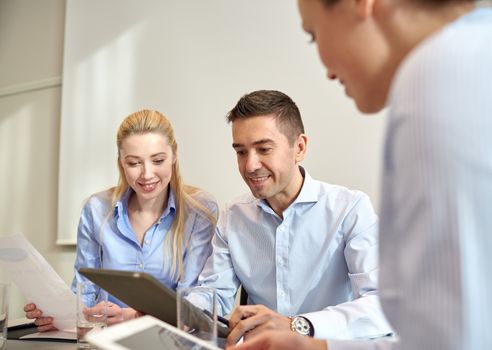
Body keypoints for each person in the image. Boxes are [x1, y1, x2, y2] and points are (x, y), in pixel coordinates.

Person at [232, 0, 492, 349]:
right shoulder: (472, 56)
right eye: (240, 151)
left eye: (313, 35)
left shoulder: (438, 79)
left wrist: (305, 334)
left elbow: (450, 339)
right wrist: (315, 347)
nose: (325, 67)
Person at [187, 90, 391, 345]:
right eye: (241, 152)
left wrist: (297, 326)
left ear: (300, 147)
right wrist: (171, 313)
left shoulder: (350, 210)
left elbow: (382, 306)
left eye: (264, 149)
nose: (250, 165)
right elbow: (213, 296)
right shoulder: (234, 215)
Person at [24, 109, 218, 331]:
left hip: (169, 342)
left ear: (174, 155)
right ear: (121, 163)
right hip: (106, 339)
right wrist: (61, 316)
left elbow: (193, 305)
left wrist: (135, 317)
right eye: (134, 163)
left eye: (158, 160)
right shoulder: (96, 209)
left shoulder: (199, 211)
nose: (147, 174)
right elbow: (84, 292)